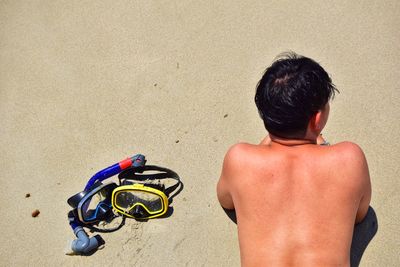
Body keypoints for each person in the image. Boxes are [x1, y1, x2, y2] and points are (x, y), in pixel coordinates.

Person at [217, 53, 376, 266]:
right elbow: (360, 213)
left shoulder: (239, 159)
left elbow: (226, 201)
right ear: (317, 119)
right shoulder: (350, 159)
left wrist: (263, 148)